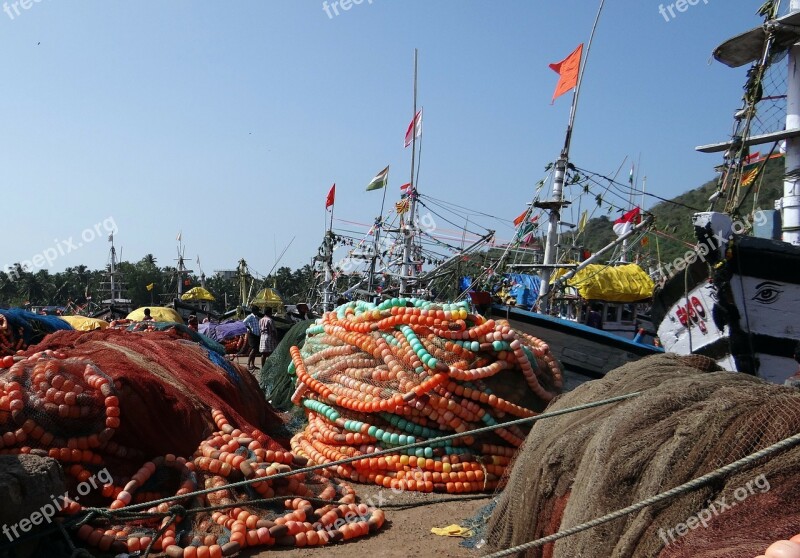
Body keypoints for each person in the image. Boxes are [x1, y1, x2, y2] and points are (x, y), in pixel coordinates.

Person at [243, 306, 261, 372]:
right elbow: (244, 321)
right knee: (253, 349)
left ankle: (252, 364)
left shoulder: (257, 317)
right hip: (252, 334)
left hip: (257, 334)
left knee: (255, 350)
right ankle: (248, 364)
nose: (258, 312)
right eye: (257, 310)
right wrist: (249, 328)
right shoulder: (250, 316)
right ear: (254, 311)